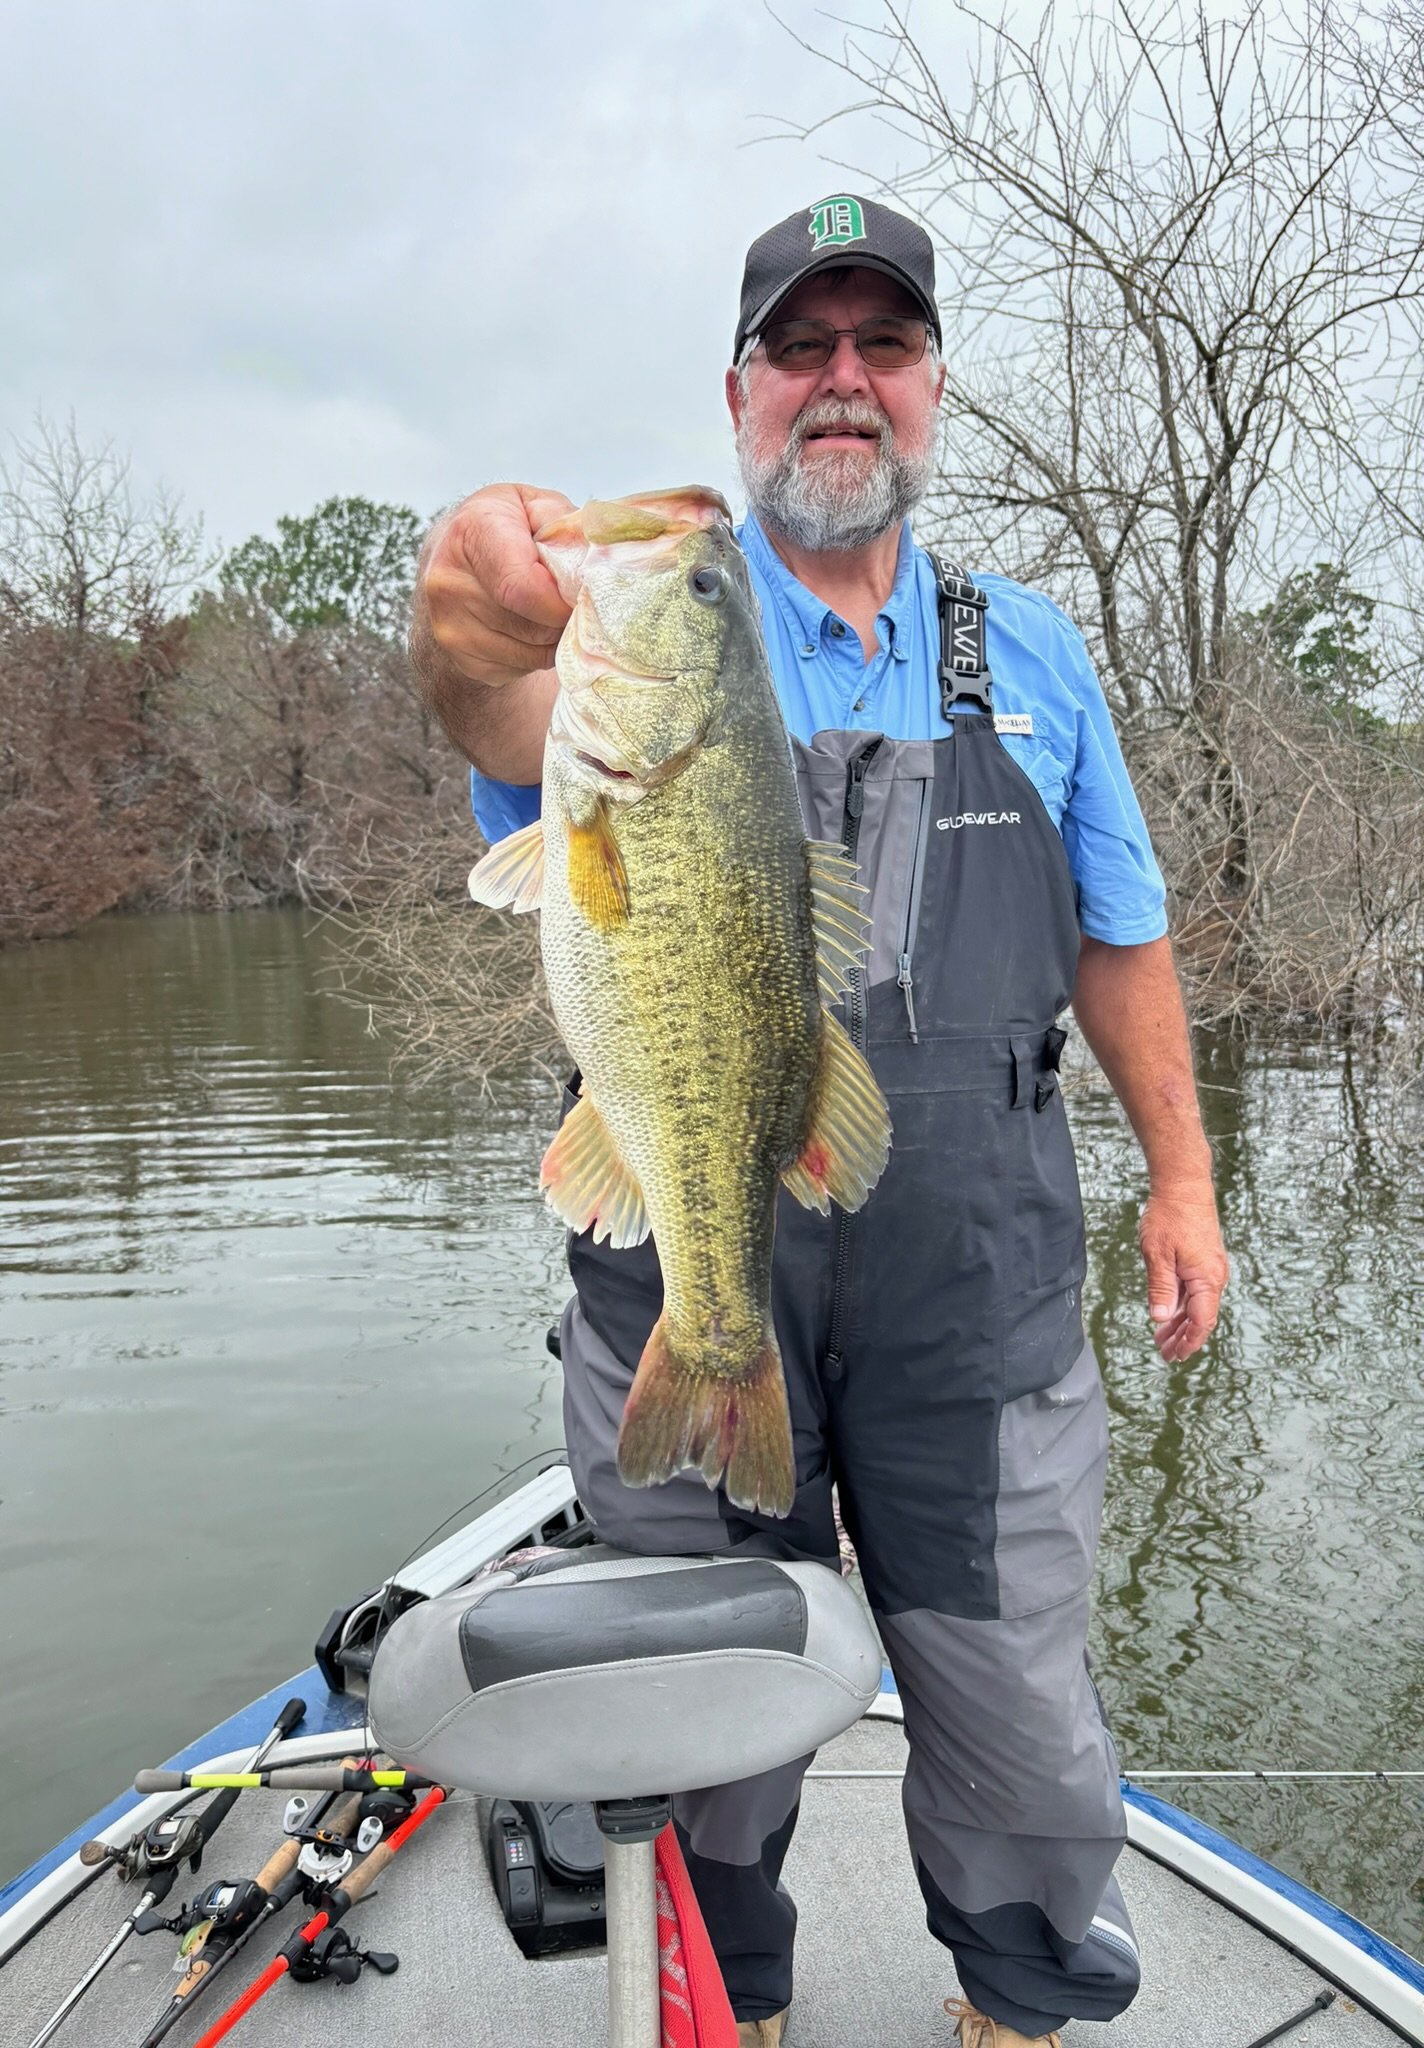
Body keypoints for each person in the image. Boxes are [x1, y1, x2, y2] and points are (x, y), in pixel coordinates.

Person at [408, 195, 1229, 2048]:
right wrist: (467, 591)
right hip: (698, 1255)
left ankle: (1019, 2001)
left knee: (1018, 1700)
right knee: (699, 1694)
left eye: (884, 344)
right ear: (741, 392)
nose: (842, 378)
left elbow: (1124, 935)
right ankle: (736, 2004)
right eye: (800, 346)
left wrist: (1183, 1180)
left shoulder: (1036, 652)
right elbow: (482, 684)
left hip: (981, 1284)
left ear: (931, 386)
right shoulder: (641, 640)